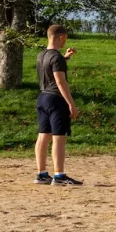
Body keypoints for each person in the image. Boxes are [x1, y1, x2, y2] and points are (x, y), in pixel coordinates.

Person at [34, 23, 81, 186]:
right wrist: (71, 104)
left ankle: (41, 174)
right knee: (59, 138)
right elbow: (60, 82)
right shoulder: (57, 57)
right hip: (56, 99)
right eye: (64, 39)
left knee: (43, 135)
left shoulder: (42, 55)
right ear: (60, 37)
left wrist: (66, 57)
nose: (64, 43)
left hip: (42, 98)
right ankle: (59, 175)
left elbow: (51, 69)